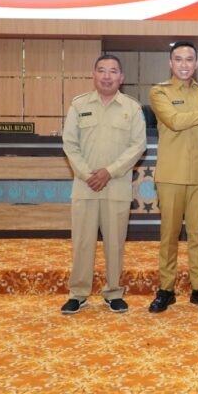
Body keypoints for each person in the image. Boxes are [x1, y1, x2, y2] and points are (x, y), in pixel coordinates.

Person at [60, 54, 147, 315]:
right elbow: (69, 143)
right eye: (102, 70)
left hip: (116, 186)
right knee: (82, 243)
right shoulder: (79, 105)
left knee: (115, 243)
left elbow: (138, 145)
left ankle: (113, 292)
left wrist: (109, 172)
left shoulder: (132, 108)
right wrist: (87, 174)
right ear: (93, 75)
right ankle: (78, 293)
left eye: (113, 71)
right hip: (85, 186)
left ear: (121, 77)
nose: (107, 76)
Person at [147, 41, 198, 313]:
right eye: (178, 59)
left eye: (189, 59)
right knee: (169, 236)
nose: (184, 64)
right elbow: (175, 121)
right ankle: (166, 290)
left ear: (196, 64)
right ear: (170, 63)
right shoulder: (159, 92)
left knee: (197, 236)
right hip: (171, 174)